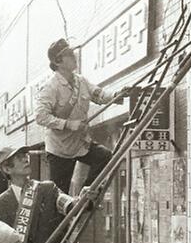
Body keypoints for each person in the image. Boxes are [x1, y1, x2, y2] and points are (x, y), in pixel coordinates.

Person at [35, 38, 127, 195]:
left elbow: (99, 94)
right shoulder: (50, 87)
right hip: (59, 149)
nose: (74, 57)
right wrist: (69, 124)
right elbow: (40, 116)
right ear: (58, 61)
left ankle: (86, 195)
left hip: (80, 144)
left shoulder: (81, 81)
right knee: (58, 196)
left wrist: (116, 95)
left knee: (104, 156)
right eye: (69, 54)